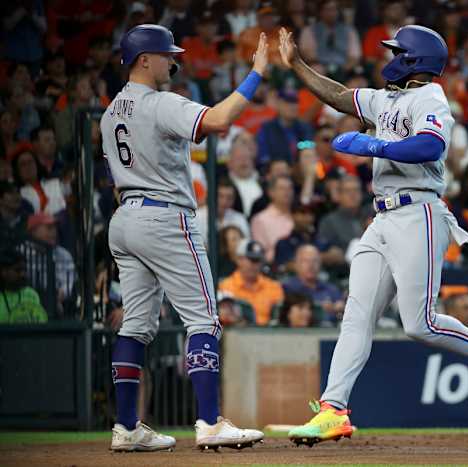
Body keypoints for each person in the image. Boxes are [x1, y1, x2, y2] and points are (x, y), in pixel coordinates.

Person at [278, 24, 468, 446]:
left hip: (419, 213)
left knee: (419, 323)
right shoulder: (387, 98)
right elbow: (338, 95)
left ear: (414, 58)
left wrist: (373, 146)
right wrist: (297, 65)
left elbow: (429, 146)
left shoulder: (431, 97)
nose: (387, 56)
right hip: (383, 217)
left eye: (395, 50)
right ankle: (334, 409)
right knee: (356, 315)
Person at [100, 24, 267, 452]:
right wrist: (257, 73)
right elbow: (219, 119)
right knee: (204, 319)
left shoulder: (110, 111)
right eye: (166, 55)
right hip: (164, 216)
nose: (173, 62)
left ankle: (126, 427)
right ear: (144, 60)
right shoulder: (158, 103)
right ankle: (210, 422)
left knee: (135, 325)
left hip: (126, 218)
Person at [217, 239, 284, 326]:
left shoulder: (274, 287)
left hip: (267, 335)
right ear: (239, 260)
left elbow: (278, 319)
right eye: (251, 260)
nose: (254, 265)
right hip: (236, 335)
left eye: (257, 260)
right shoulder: (225, 286)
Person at [282, 244, 344, 324]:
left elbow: (342, 308)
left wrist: (339, 308)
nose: (311, 265)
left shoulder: (331, 289)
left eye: (315, 261)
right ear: (296, 264)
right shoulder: (287, 288)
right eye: (306, 261)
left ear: (320, 264)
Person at [0, 248, 48, 324]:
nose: (23, 274)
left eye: (24, 270)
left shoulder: (31, 294)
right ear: (3, 272)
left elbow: (40, 321)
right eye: (17, 270)